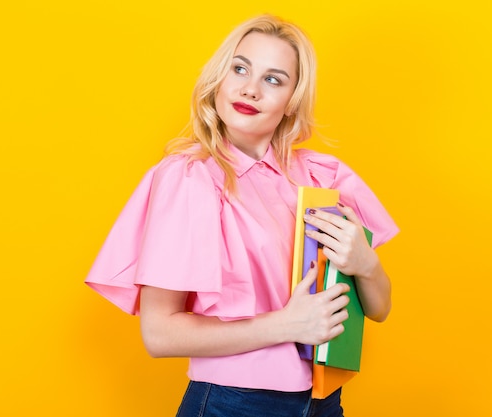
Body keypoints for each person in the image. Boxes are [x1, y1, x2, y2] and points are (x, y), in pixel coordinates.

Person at [85, 13, 398, 417]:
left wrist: (367, 264)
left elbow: (379, 309)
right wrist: (286, 325)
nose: (250, 89)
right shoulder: (191, 178)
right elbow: (158, 333)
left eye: (273, 79)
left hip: (323, 402)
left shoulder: (320, 174)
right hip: (235, 403)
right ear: (220, 78)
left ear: (291, 101)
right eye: (240, 68)